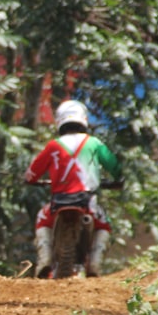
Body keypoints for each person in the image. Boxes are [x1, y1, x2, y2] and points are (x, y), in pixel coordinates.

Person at [24, 99, 122, 278]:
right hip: (87, 202)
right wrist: (118, 179)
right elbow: (114, 166)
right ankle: (95, 264)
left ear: (59, 121)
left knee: (42, 219)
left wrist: (32, 180)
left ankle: (44, 259)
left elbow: (31, 173)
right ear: (84, 119)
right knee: (103, 225)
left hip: (59, 202)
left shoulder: (53, 145)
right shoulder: (93, 143)